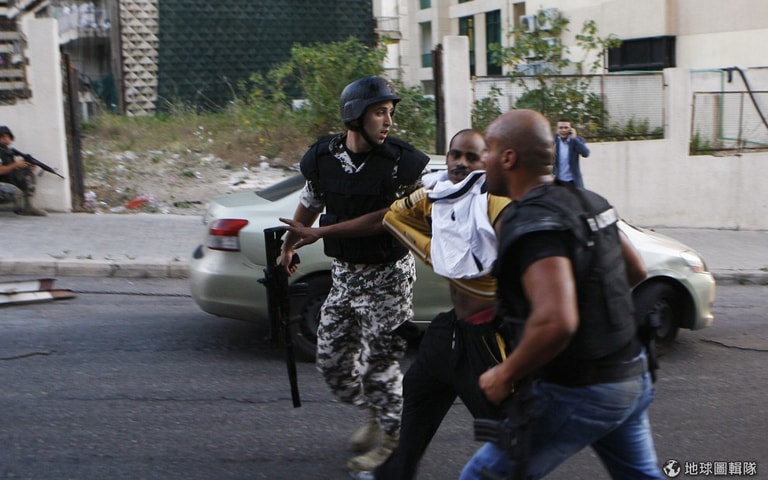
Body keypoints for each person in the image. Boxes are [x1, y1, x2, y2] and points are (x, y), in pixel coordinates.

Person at [460, 109, 663, 479]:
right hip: (630, 375)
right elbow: (635, 270)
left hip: (582, 390)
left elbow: (556, 320)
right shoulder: (587, 201)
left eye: (488, 149)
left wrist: (505, 373)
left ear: (509, 158)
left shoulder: (533, 221)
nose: (482, 159)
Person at [278, 76, 430, 473]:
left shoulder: (403, 165)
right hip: (345, 276)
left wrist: (321, 234)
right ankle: (379, 410)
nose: (388, 121)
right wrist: (290, 244)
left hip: (389, 277)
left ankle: (393, 441)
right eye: (380, 113)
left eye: (390, 113)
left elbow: (386, 219)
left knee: (380, 364)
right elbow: (310, 202)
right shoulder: (324, 158)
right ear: (355, 116)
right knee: (331, 364)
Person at [349, 129, 511, 480]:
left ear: (486, 161)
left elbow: (513, 256)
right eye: (455, 154)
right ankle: (394, 473)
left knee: (507, 432)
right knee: (419, 393)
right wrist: (434, 249)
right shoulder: (439, 193)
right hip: (452, 329)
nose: (461, 163)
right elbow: (393, 217)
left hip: (488, 336)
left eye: (471, 157)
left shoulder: (495, 200)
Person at [0, 126, 47, 216]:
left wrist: (25, 167)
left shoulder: (8, 152)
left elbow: (10, 169)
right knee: (15, 192)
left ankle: (28, 207)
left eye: (7, 136)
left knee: (27, 173)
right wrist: (15, 165)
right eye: (2, 136)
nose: (5, 138)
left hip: (6, 181)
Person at [553, 118, 590, 187]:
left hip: (574, 182)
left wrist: (574, 139)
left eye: (566, 127)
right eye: (560, 128)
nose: (563, 130)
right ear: (557, 130)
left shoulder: (577, 140)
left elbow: (586, 153)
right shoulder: (553, 141)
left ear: (570, 129)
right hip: (558, 182)